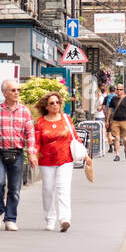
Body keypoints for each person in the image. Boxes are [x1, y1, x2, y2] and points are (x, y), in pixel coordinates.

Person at [0, 79, 39, 231]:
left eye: (18, 90)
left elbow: (30, 134)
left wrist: (32, 153)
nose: (16, 93)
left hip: (17, 153)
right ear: (4, 93)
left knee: (15, 188)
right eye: (13, 90)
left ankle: (10, 219)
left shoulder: (25, 111)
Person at [33, 91, 90, 232]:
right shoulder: (40, 122)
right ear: (46, 106)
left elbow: (75, 137)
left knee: (63, 188)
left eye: (57, 102)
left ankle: (65, 219)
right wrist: (33, 154)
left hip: (65, 159)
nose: (55, 105)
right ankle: (50, 219)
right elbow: (36, 142)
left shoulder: (66, 119)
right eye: (52, 103)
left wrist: (85, 155)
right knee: (48, 190)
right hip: (46, 160)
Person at [108, 83, 126, 161]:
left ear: (123, 90)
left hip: (124, 121)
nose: (119, 91)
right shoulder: (113, 99)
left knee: (125, 139)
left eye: (121, 89)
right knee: (117, 138)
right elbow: (109, 111)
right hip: (115, 121)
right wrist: (107, 120)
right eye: (118, 89)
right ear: (116, 90)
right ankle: (117, 155)